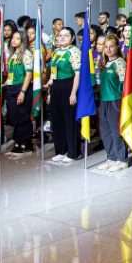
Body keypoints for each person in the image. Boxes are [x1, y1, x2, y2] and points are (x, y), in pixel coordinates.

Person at [46, 27, 81, 163]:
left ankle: (73, 152)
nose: (62, 38)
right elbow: (53, 73)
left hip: (68, 86)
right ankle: (61, 150)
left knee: (69, 120)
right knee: (57, 121)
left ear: (72, 38)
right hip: (56, 87)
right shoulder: (56, 52)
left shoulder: (74, 52)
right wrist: (50, 90)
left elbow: (77, 74)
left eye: (65, 36)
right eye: (60, 36)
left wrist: (73, 93)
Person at [97, 37, 128, 171]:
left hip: (116, 100)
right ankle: (111, 157)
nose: (108, 49)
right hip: (104, 100)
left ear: (117, 47)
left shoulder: (120, 63)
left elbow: (125, 85)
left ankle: (122, 159)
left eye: (111, 46)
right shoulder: (104, 63)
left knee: (116, 131)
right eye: (106, 47)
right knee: (105, 131)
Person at [4, 30, 34, 157]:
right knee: (14, 117)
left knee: (23, 117)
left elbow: (28, 74)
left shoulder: (26, 54)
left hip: (21, 88)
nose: (13, 40)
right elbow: (11, 73)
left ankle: (26, 144)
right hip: (11, 88)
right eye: (13, 38)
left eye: (17, 38)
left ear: (22, 40)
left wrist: (22, 92)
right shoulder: (12, 54)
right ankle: (18, 141)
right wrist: (5, 83)